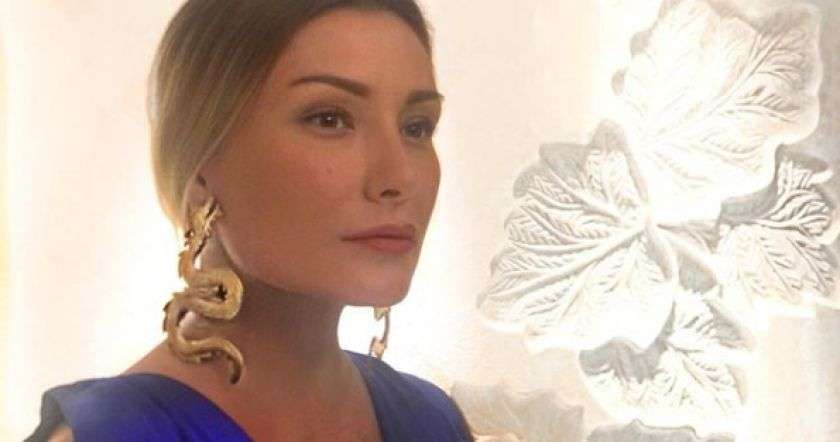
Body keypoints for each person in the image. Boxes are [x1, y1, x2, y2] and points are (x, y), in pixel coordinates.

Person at [25, 0, 474, 440]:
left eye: (416, 127)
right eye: (330, 119)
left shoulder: (431, 418)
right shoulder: (122, 433)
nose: (398, 176)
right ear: (201, 167)